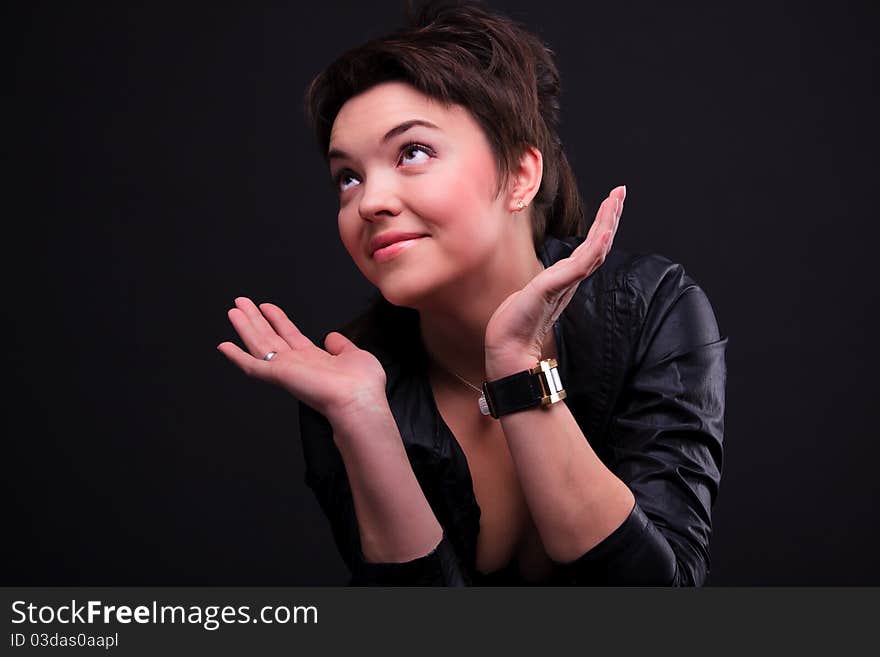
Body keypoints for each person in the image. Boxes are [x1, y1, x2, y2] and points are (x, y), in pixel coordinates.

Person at [217, 0, 727, 586]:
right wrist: (364, 422)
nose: (369, 202)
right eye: (348, 177)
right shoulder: (344, 382)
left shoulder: (647, 308)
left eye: (412, 152)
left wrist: (517, 368)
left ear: (518, 175)